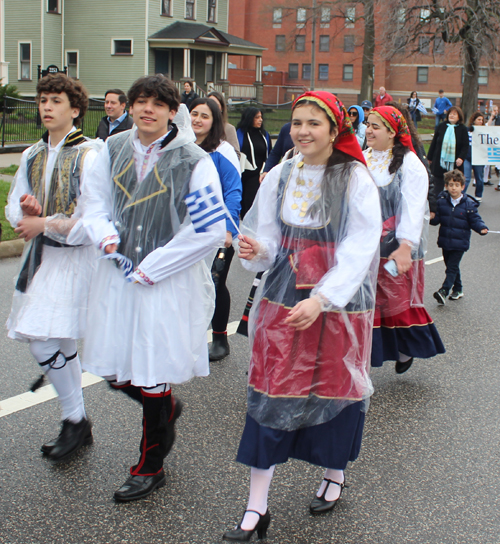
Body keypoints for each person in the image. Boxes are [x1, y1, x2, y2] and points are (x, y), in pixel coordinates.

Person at [222, 91, 381, 541]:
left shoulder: (354, 177)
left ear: (335, 130)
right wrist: (256, 248)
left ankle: (333, 472)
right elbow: (269, 237)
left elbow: (359, 246)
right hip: (285, 297)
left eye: (314, 123)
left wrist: (324, 298)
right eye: (297, 123)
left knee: (334, 385)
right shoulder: (281, 174)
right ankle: (256, 508)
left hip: (336, 300)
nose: (303, 131)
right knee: (272, 389)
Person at [80, 75, 225, 502]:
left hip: (164, 282)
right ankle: (163, 410)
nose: (148, 109)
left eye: (157, 104)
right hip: (118, 274)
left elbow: (209, 228)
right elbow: (95, 203)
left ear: (170, 110)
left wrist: (155, 267)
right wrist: (104, 234)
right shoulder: (112, 148)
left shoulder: (192, 160)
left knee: (153, 371)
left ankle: (150, 465)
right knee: (112, 365)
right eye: (140, 101)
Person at [5, 73, 101, 462]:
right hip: (42, 259)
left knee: (41, 337)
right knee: (56, 339)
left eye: (56, 100)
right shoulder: (32, 154)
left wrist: (45, 222)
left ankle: (75, 419)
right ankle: (76, 421)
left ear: (75, 109)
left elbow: (92, 220)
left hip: (74, 259)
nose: (46, 107)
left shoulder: (91, 155)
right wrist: (26, 212)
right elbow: (15, 202)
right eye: (43, 100)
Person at [364, 106, 445, 374]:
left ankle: (405, 349)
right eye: (367, 124)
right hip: (365, 249)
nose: (368, 130)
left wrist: (405, 247)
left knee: (395, 305)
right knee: (366, 304)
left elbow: (413, 209)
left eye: (375, 126)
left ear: (392, 131)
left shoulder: (410, 164)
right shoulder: (361, 158)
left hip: (395, 251)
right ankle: (363, 363)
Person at [190, 98, 242, 361]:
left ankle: (219, 338)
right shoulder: (182, 147)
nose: (198, 120)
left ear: (215, 121)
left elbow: (233, 191)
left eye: (205, 116)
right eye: (194, 114)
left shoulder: (223, 151)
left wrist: (228, 230)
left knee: (215, 282)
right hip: (187, 232)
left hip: (218, 231)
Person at [431, 169, 488, 303]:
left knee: (451, 267)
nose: (453, 188)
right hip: (445, 241)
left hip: (460, 243)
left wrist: (482, 228)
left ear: (462, 187)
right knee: (451, 266)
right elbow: (436, 220)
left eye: (457, 185)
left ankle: (444, 291)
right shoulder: (442, 201)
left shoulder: (469, 204)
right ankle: (458, 289)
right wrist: (430, 216)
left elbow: (475, 220)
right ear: (446, 186)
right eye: (451, 185)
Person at [236, 107, 272, 217]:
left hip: (260, 175)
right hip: (244, 175)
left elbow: (270, 154)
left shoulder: (264, 135)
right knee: (246, 203)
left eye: (261, 117)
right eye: (257, 117)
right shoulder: (240, 134)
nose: (260, 120)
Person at [427, 106, 469, 199]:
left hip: (454, 163)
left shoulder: (462, 129)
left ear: (459, 116)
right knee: (437, 187)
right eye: (450, 113)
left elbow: (465, 146)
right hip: (439, 161)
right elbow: (434, 142)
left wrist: (461, 158)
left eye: (454, 114)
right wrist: (429, 157)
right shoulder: (441, 126)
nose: (452, 115)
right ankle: (436, 207)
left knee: (452, 186)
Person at [207, 90, 240, 156]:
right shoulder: (200, 127)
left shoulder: (228, 129)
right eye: (209, 104)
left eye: (215, 105)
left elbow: (236, 154)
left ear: (221, 108)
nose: (212, 108)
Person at [464, 112, 486, 198]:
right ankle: (461, 195)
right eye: (478, 119)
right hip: (467, 156)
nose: (480, 121)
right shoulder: (467, 130)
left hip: (479, 157)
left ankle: (478, 195)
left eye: (482, 120)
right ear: (474, 120)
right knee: (466, 178)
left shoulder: (485, 131)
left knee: (479, 178)